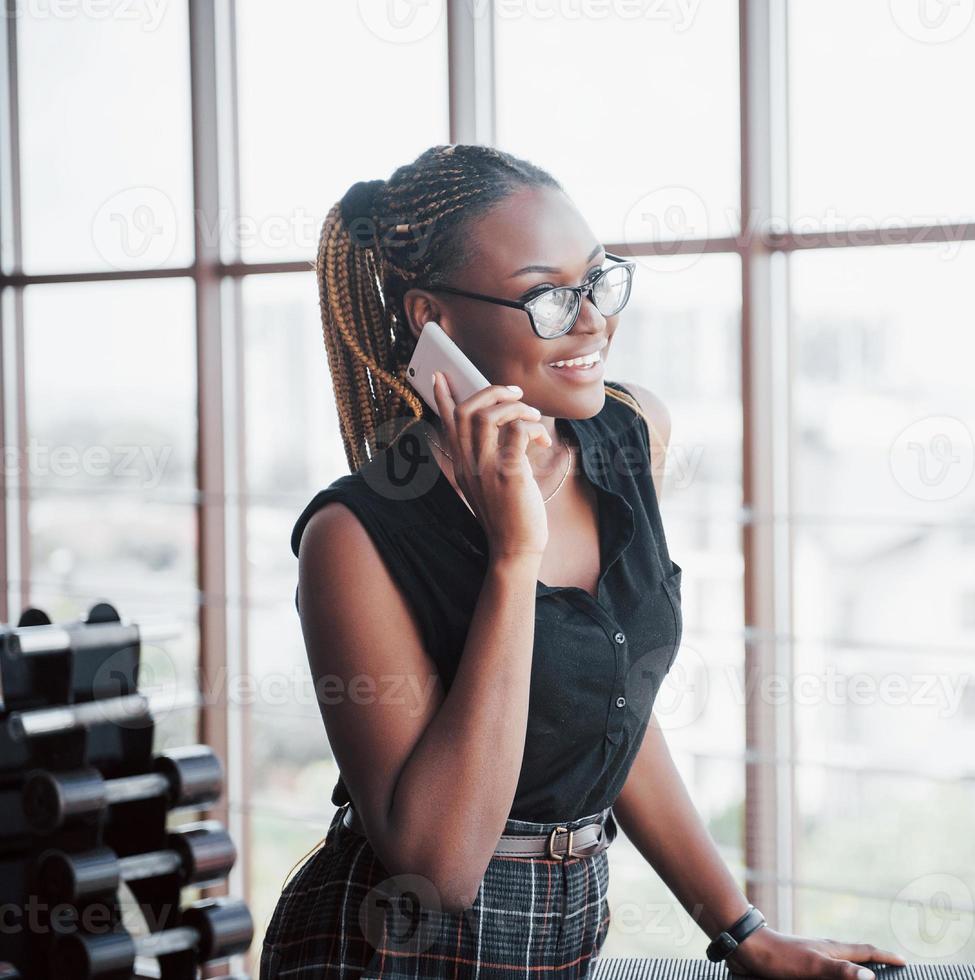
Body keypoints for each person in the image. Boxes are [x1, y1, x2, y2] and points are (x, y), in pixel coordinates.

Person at [258, 144, 905, 979]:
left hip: (566, 931)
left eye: (598, 281)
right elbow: (441, 864)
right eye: (547, 298)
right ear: (433, 319)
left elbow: (610, 709)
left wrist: (742, 932)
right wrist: (510, 557)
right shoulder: (353, 535)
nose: (594, 320)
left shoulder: (631, 439)